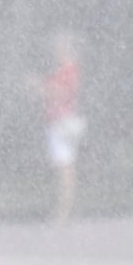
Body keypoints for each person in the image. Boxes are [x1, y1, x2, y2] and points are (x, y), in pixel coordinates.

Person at [36, 28, 85, 223]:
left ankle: (63, 212)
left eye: (58, 47)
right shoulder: (65, 70)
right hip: (58, 121)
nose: (55, 51)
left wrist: (39, 87)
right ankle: (63, 209)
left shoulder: (69, 70)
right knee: (63, 166)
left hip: (62, 122)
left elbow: (61, 93)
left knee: (65, 167)